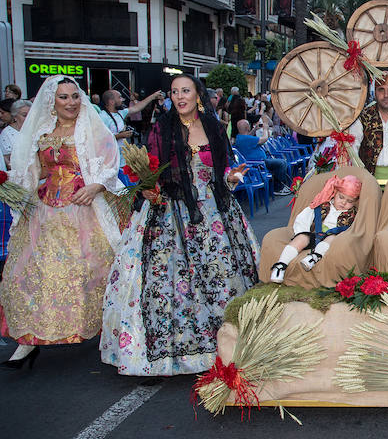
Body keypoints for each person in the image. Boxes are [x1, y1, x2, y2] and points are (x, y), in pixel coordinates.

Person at [100, 74, 260, 376]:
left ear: (198, 94)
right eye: (175, 92)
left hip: (214, 211)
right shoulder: (162, 128)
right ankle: (158, 357)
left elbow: (222, 172)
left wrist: (233, 177)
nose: (180, 96)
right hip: (170, 208)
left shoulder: (214, 126)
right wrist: (148, 188)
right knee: (166, 278)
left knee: (219, 274)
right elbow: (152, 168)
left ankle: (225, 347)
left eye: (185, 90)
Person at [0, 75, 123, 369]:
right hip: (46, 210)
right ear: (51, 102)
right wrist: (16, 186)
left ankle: (110, 334)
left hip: (84, 209)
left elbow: (109, 162)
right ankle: (28, 342)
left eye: (74, 96)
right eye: (64, 97)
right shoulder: (43, 131)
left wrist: (96, 186)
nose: (71, 102)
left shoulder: (91, 128)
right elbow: (37, 170)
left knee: (92, 272)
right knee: (32, 273)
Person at [269, 174, 362, 282]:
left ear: (355, 202)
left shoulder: (353, 214)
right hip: (315, 235)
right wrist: (301, 233)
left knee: (332, 237)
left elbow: (356, 230)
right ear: (335, 193)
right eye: (341, 197)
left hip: (333, 242)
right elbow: (303, 218)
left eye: (349, 201)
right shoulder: (322, 205)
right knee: (301, 238)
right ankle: (280, 265)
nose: (344, 202)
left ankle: (313, 257)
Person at [99, 89, 163, 165]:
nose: (122, 100)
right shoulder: (102, 116)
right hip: (110, 161)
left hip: (122, 160)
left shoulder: (120, 113)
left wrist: (153, 97)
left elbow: (137, 108)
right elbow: (100, 139)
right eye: (119, 97)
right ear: (111, 102)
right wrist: (120, 136)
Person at [233, 119, 292, 195]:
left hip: (258, 162)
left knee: (280, 162)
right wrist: (265, 129)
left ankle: (280, 185)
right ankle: (279, 188)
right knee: (281, 163)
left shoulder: (240, 138)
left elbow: (248, 136)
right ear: (248, 127)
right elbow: (264, 139)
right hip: (259, 164)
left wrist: (254, 130)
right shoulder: (246, 139)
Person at [0, 100, 30, 165]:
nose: (28, 118)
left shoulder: (37, 129)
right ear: (15, 117)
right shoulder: (7, 133)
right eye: (24, 115)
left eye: (30, 114)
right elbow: (6, 159)